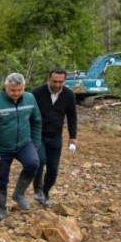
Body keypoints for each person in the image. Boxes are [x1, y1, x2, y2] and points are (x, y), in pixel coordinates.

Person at [0, 72, 41, 221]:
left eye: (20, 90)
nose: (16, 93)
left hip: (24, 143)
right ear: (6, 87)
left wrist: (35, 142)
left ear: (23, 87)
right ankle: (1, 207)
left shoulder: (30, 98)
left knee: (33, 163)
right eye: (13, 90)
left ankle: (19, 194)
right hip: (2, 147)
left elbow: (37, 120)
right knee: (1, 178)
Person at [31, 68, 78, 206]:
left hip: (56, 135)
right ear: (49, 79)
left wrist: (73, 136)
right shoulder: (37, 92)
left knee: (53, 169)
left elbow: (72, 116)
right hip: (38, 133)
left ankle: (45, 191)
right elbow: (29, 113)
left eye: (60, 82)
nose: (57, 85)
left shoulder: (69, 95)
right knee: (39, 161)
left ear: (64, 81)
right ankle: (38, 190)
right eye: (54, 81)